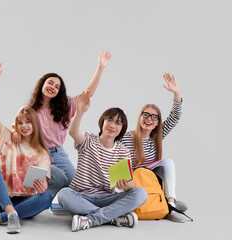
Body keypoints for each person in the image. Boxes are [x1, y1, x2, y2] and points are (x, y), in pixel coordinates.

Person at [12, 51, 112, 197]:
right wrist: (15, 132)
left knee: (75, 185)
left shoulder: (64, 107)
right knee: (38, 185)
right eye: (50, 83)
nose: (53, 87)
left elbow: (87, 94)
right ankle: (40, 202)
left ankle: (65, 203)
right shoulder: (27, 110)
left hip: (58, 154)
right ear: (42, 85)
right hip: (37, 155)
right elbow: (16, 129)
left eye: (57, 87)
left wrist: (100, 68)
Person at [0, 62, 52, 234]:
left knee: (47, 197)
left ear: (35, 124)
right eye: (20, 123)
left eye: (28, 122)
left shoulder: (42, 153)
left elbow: (42, 184)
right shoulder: (7, 136)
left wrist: (41, 187)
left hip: (24, 201)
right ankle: (9, 213)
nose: (24, 126)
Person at [57, 92, 147, 232]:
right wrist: (79, 112)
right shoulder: (88, 140)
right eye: (110, 120)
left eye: (118, 123)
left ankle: (91, 220)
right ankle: (113, 218)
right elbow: (73, 132)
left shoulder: (123, 151)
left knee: (141, 193)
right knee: (63, 194)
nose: (113, 125)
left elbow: (131, 185)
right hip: (81, 195)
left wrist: (127, 185)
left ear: (122, 128)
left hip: (108, 198)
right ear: (102, 122)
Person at [121, 73, 187, 222]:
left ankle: (170, 204)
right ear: (139, 118)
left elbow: (175, 117)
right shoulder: (126, 136)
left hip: (150, 178)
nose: (149, 119)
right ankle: (164, 204)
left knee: (168, 162)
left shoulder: (156, 138)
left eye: (154, 117)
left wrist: (176, 93)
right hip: (132, 180)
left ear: (158, 123)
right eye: (145, 115)